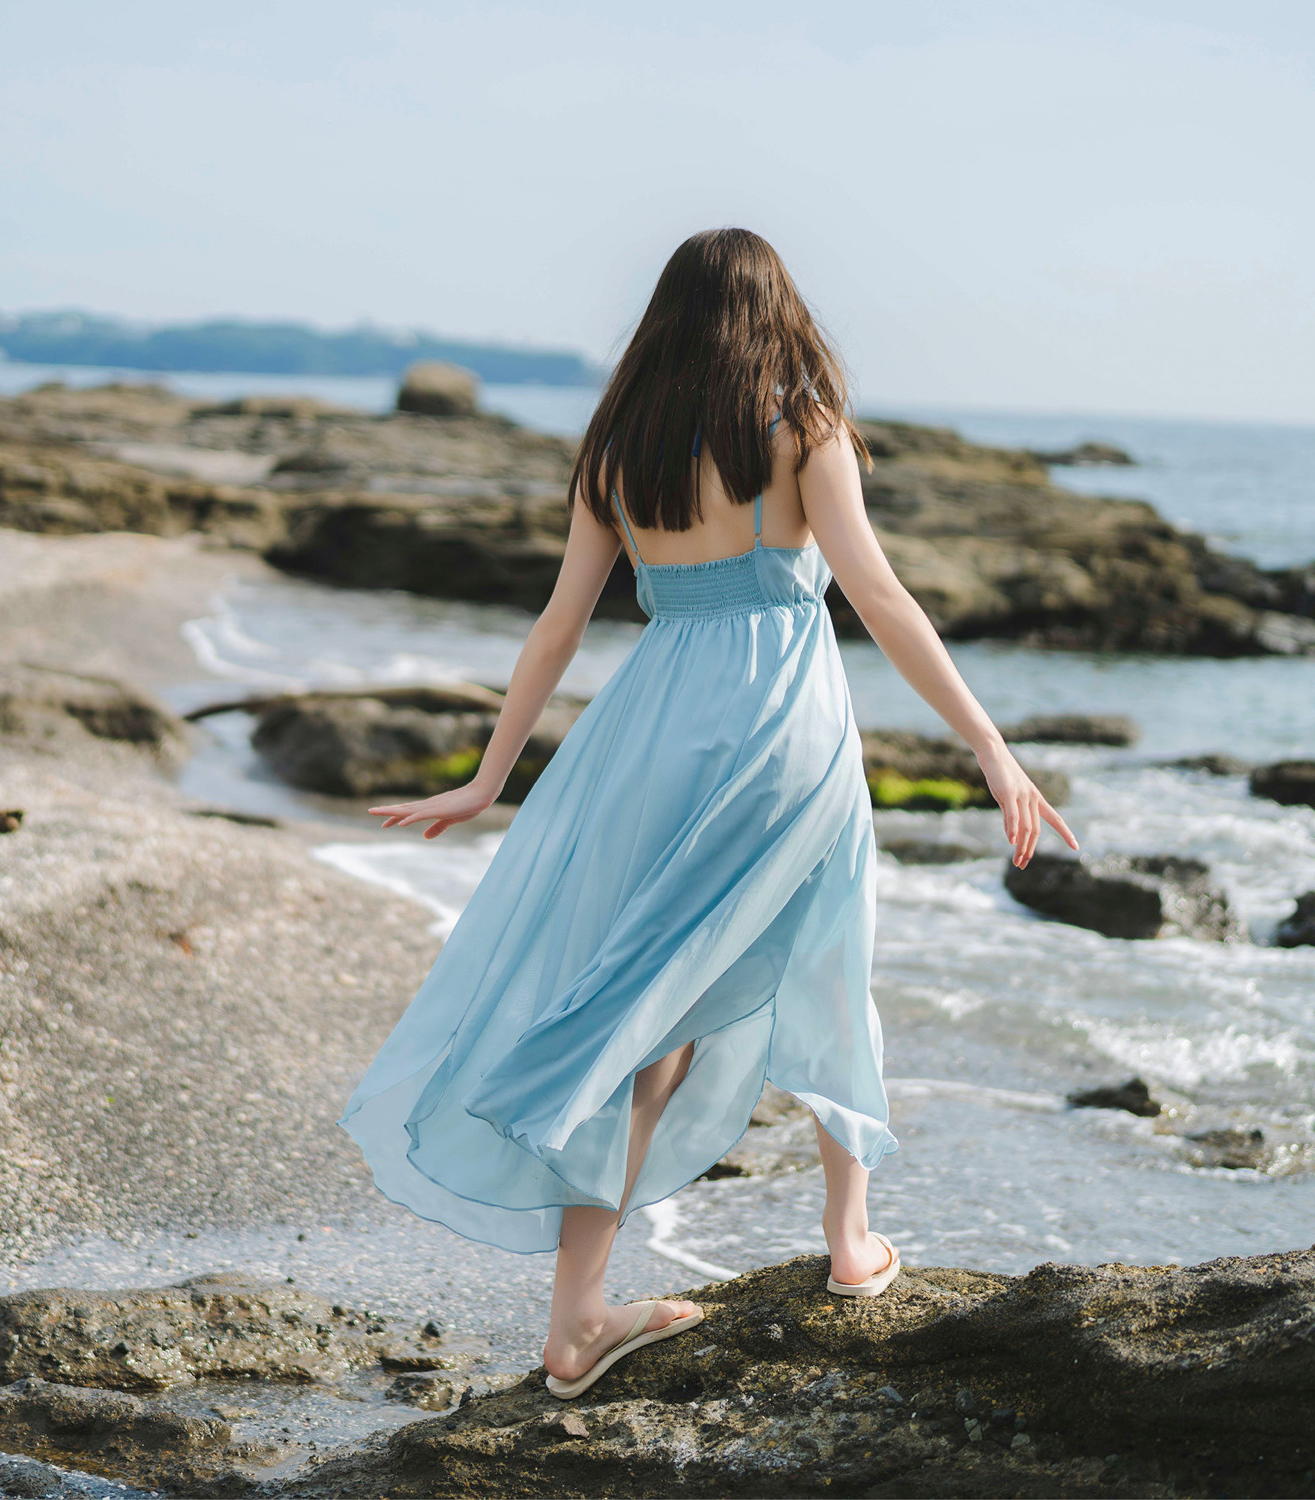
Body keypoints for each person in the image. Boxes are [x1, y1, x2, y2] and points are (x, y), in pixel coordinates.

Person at [340, 228, 1076, 1400]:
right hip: (783, 729)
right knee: (830, 954)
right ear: (772, 313)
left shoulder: (618, 448)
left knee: (641, 1009)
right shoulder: (802, 425)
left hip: (644, 738)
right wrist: (992, 749)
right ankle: (850, 1245)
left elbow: (558, 625)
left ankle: (576, 1314)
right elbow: (878, 594)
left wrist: (491, 776)